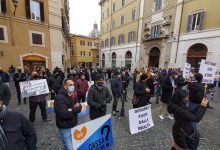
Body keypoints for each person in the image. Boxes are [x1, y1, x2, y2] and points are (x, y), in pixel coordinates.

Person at [54, 79, 82, 150]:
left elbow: (80, 107)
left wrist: (70, 109)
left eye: (73, 85)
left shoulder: (74, 94)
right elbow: (64, 114)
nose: (72, 86)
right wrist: (74, 108)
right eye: (70, 85)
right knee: (69, 147)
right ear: (65, 86)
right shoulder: (59, 97)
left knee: (74, 144)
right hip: (64, 126)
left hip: (74, 123)